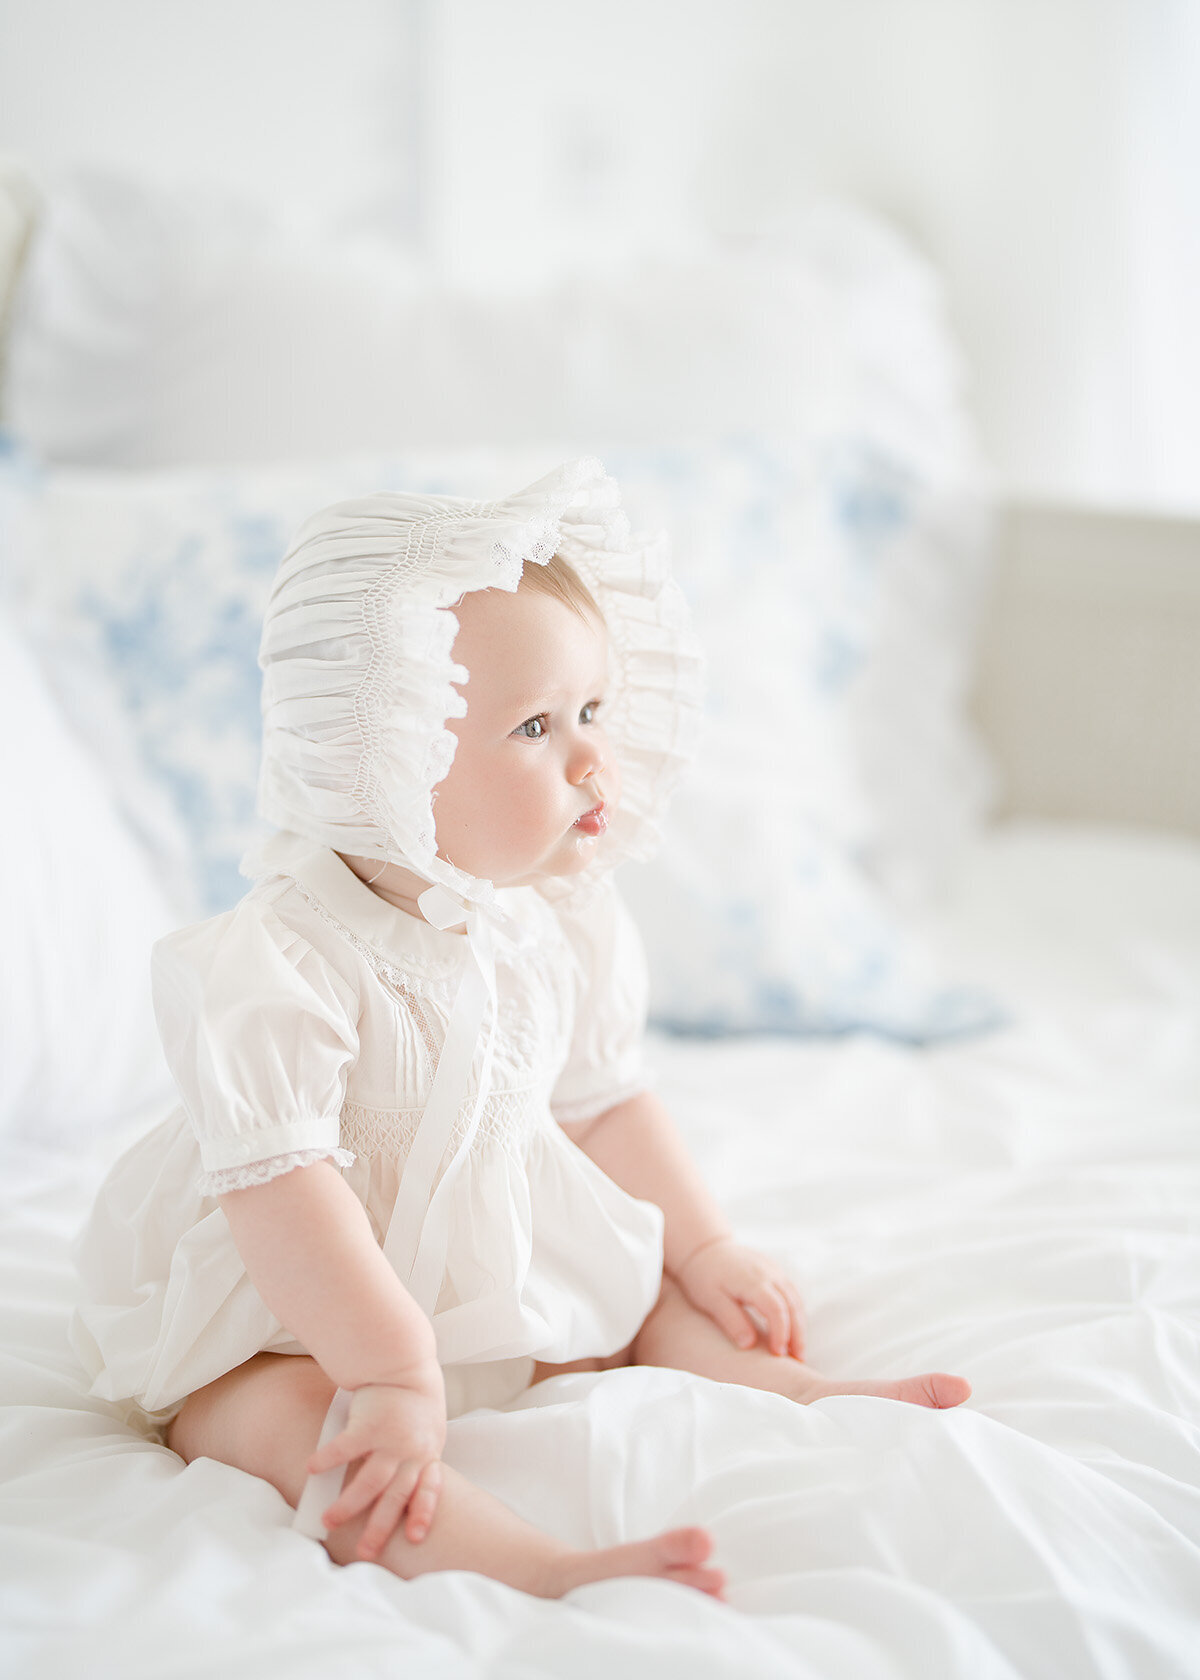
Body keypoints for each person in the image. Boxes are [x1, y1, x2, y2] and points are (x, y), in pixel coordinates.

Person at [70, 460, 971, 1601]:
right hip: (294, 1306)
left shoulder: (558, 916)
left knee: (648, 1274)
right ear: (382, 762)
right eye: (536, 726)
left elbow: (605, 1102)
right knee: (284, 1422)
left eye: (593, 712)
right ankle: (533, 1563)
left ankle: (791, 1395)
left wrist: (706, 1249)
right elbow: (281, 1191)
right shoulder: (287, 960)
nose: (592, 756)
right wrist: (392, 1372)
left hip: (475, 1258)